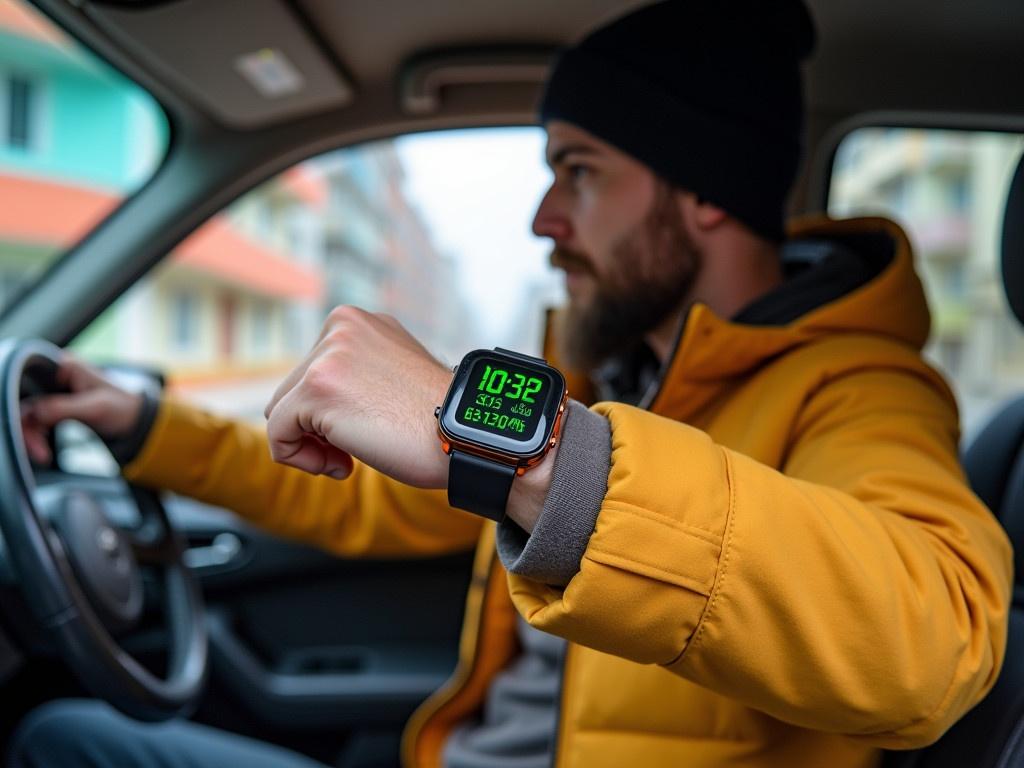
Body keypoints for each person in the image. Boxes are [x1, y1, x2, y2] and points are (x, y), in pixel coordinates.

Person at [8, 1, 1013, 767]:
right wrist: (141, 425)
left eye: (578, 171)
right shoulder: (615, 375)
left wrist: (539, 453)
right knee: (73, 734)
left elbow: (936, 640)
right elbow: (365, 501)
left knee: (61, 741)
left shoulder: (858, 384)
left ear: (705, 191)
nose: (544, 218)